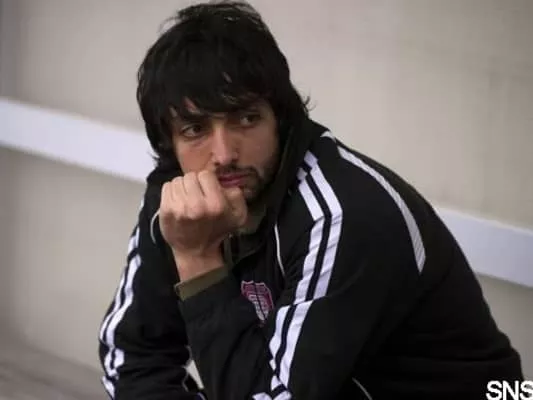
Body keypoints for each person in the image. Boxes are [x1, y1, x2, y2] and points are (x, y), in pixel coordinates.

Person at [98, 1, 523, 399]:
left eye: (246, 118)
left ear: (280, 118)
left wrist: (198, 259)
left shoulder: (341, 215)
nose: (224, 154)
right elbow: (129, 355)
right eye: (195, 130)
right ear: (170, 144)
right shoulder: (177, 199)